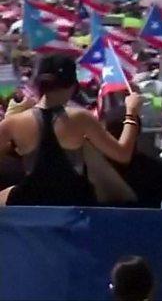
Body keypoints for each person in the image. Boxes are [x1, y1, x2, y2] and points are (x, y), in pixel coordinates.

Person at [0, 54, 142, 206]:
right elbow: (122, 154)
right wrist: (131, 112)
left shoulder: (13, 122)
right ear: (73, 86)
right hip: (74, 197)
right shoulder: (81, 118)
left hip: (30, 198)